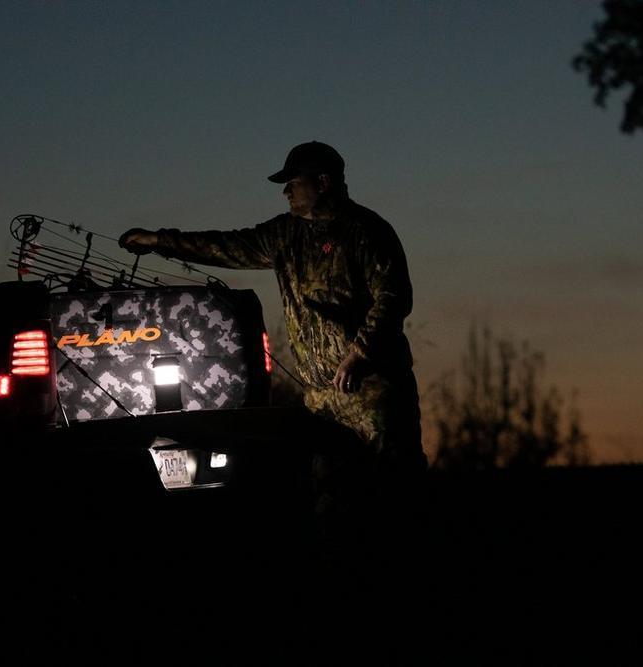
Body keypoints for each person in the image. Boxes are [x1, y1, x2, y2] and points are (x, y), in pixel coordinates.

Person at [119, 141, 426, 554]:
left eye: (293, 183)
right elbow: (226, 245)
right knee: (330, 499)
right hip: (320, 398)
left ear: (323, 182)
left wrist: (360, 354)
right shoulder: (285, 235)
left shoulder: (366, 231)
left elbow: (392, 297)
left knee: (393, 491)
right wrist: (158, 240)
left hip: (373, 390)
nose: (286, 192)